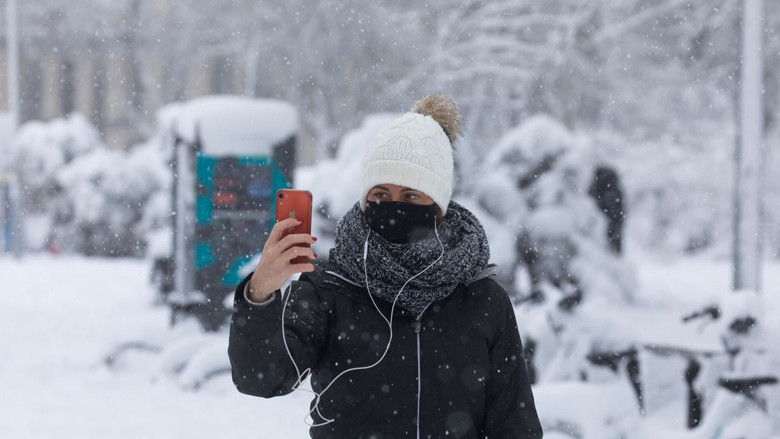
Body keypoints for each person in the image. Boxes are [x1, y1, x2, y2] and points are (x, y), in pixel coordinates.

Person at [228, 95, 543, 438]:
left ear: (437, 205)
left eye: (410, 196)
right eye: (380, 194)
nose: (393, 206)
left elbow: (515, 426)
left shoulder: (483, 299)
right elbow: (261, 377)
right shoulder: (329, 288)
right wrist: (260, 293)